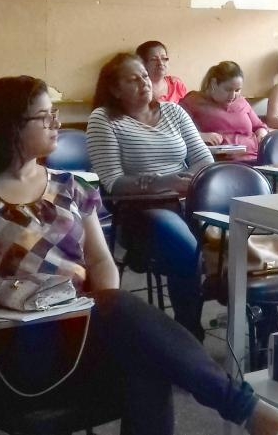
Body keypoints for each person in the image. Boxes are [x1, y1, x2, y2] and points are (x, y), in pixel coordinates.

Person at [0, 76, 278, 435]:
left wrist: (100, 308)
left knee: (145, 357)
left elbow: (100, 263)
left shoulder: (70, 186)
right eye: (44, 117)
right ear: (8, 126)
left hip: (79, 336)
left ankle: (243, 408)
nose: (56, 123)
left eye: (54, 114)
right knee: (125, 321)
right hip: (14, 349)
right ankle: (244, 408)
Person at [85, 53, 214, 336]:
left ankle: (258, 317)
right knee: (188, 250)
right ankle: (190, 331)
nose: (143, 82)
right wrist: (163, 183)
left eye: (144, 76)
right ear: (114, 89)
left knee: (241, 234)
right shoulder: (104, 119)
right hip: (142, 210)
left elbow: (204, 160)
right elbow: (113, 182)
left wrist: (185, 181)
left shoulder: (174, 112)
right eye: (132, 80)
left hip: (189, 200)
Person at [181, 62, 268, 163]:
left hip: (256, 158)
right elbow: (173, 130)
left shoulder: (241, 102)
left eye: (237, 90)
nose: (232, 96)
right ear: (213, 84)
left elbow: (259, 126)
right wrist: (200, 136)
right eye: (228, 90)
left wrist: (262, 133)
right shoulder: (193, 101)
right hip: (220, 163)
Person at [136, 40, 188, 105]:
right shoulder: (138, 89)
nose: (160, 63)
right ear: (143, 64)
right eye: (154, 59)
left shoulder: (176, 84)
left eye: (164, 58)